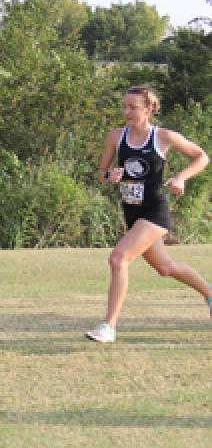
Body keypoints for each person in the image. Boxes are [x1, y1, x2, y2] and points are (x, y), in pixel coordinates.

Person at [85, 85, 210, 343]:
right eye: (125, 106)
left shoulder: (163, 136)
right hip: (132, 214)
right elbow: (101, 173)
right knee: (166, 268)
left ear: (150, 109)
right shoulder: (115, 137)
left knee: (118, 258)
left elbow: (201, 157)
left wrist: (182, 178)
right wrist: (111, 175)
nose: (127, 112)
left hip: (155, 212)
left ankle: (109, 326)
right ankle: (209, 293)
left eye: (133, 107)